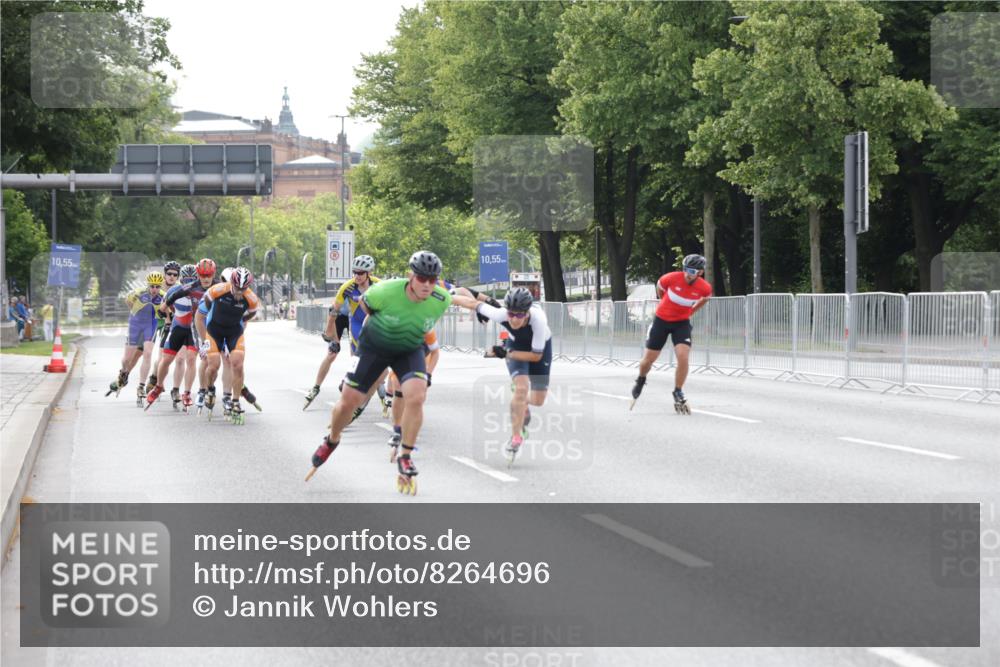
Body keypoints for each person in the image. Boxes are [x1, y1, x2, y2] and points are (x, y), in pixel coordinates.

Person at [306, 250, 451, 495]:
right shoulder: (383, 291)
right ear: (410, 277)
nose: (427, 285)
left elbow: (467, 298)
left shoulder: (441, 298)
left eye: (432, 279)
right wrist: (335, 332)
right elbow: (362, 307)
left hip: (407, 348)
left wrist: (484, 307)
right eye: (421, 279)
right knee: (350, 400)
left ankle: (405, 455)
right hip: (374, 346)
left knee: (417, 395)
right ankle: (332, 438)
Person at [452, 286, 553, 464]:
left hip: (539, 351)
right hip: (516, 346)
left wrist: (504, 353)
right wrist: (444, 296)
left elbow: (535, 356)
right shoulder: (501, 314)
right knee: (521, 388)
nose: (514, 319)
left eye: (519, 315)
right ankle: (516, 437)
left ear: (527, 313)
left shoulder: (538, 321)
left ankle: (522, 403)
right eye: (511, 314)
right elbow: (472, 303)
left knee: (538, 400)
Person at [630, 254, 712, 413]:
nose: (689, 274)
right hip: (661, 321)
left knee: (683, 356)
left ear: (700, 273)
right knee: (648, 361)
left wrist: (692, 310)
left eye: (693, 271)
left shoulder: (704, 287)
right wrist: (665, 302)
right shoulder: (671, 278)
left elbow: (706, 298)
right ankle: (641, 379)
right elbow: (660, 288)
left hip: (681, 323)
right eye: (687, 270)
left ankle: (678, 390)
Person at [302, 255, 380, 410]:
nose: (356, 276)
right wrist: (332, 336)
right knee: (332, 352)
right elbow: (333, 312)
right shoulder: (347, 287)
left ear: (369, 273)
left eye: (360, 273)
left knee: (368, 358)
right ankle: (316, 387)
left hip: (369, 320)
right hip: (347, 319)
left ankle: (356, 385)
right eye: (354, 272)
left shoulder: (378, 285)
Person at [195, 266, 259, 424]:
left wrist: (239, 332)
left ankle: (235, 401)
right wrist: (204, 341)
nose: (239, 291)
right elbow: (199, 316)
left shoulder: (251, 299)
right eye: (237, 287)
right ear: (231, 283)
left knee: (237, 364)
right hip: (213, 330)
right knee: (213, 366)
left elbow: (246, 318)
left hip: (233, 332)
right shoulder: (216, 291)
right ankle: (210, 389)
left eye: (243, 288)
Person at [145, 264, 201, 411]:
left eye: (192, 280)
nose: (188, 283)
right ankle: (158, 386)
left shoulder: (202, 291)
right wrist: (170, 317)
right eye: (186, 280)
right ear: (181, 280)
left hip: (193, 330)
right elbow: (163, 309)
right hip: (178, 328)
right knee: (166, 360)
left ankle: (185, 392)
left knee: (188, 359)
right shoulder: (174, 290)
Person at [106, 272, 165, 403]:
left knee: (148, 353)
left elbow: (167, 309)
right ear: (148, 285)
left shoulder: (163, 296)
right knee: (126, 359)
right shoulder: (138, 292)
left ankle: (141, 386)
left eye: (157, 286)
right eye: (152, 286)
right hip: (135, 324)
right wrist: (134, 312)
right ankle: (123, 373)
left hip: (151, 324)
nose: (154, 289)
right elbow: (127, 300)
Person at [148, 261, 181, 388]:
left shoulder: (179, 288)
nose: (172, 276)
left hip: (177, 323)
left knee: (178, 358)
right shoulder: (157, 287)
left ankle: (175, 388)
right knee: (162, 356)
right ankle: (154, 378)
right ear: (165, 274)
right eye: (169, 274)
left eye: (175, 274)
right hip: (162, 323)